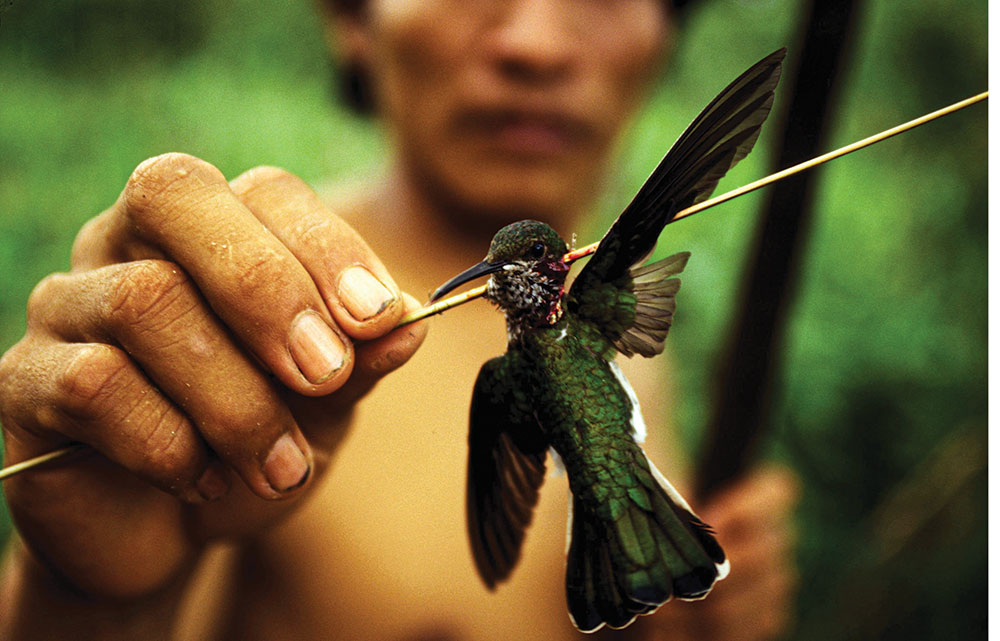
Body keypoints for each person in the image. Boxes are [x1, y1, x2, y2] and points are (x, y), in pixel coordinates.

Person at [0, 1, 798, 639]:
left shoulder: (617, 330)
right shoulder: (250, 336)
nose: (538, 41)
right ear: (351, 20)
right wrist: (87, 602)